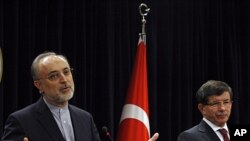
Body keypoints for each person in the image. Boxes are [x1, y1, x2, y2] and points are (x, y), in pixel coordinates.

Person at [1, 51, 159, 141]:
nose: (64, 80)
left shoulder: (84, 118)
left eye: (66, 72)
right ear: (39, 85)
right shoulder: (21, 121)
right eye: (54, 76)